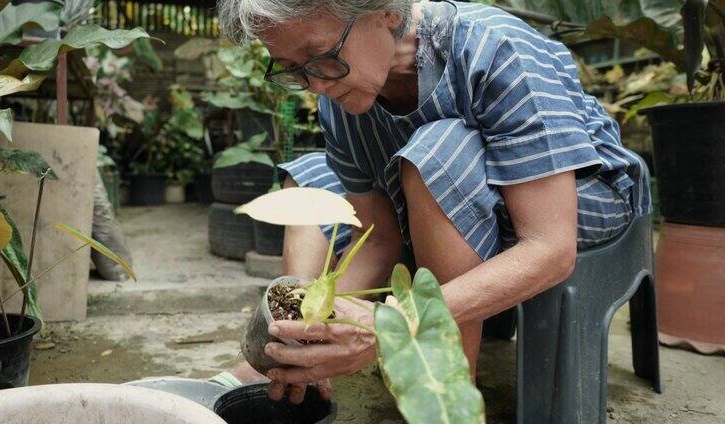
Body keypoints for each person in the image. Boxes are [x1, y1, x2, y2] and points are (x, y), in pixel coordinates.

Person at [215, 0, 651, 404]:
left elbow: (551, 250)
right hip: (438, 204)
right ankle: (283, 345)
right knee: (312, 177)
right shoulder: (341, 101)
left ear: (385, 11)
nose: (315, 85)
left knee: (436, 153)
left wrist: (390, 327)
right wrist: (316, 335)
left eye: (320, 55)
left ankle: (445, 392)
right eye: (293, 69)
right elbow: (377, 240)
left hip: (580, 203)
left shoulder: (494, 47)